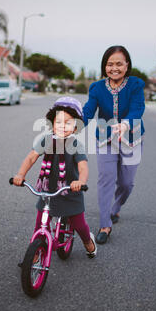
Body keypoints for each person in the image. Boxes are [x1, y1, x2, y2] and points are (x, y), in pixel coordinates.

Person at [13, 97, 97, 258]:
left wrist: (81, 181)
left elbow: (83, 166)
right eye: (58, 122)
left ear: (76, 126)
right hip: (48, 191)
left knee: (79, 225)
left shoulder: (75, 144)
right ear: (52, 123)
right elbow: (31, 157)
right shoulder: (46, 140)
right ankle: (35, 254)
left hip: (70, 190)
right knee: (40, 223)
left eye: (68, 122)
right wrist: (20, 175)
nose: (62, 126)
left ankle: (88, 242)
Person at [83, 45, 145, 244]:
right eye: (110, 64)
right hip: (105, 139)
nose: (114, 68)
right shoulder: (97, 88)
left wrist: (125, 124)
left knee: (126, 183)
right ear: (104, 66)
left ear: (127, 66)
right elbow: (88, 111)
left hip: (131, 139)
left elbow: (138, 108)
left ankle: (115, 208)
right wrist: (72, 124)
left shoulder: (135, 85)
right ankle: (104, 224)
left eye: (119, 63)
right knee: (105, 180)